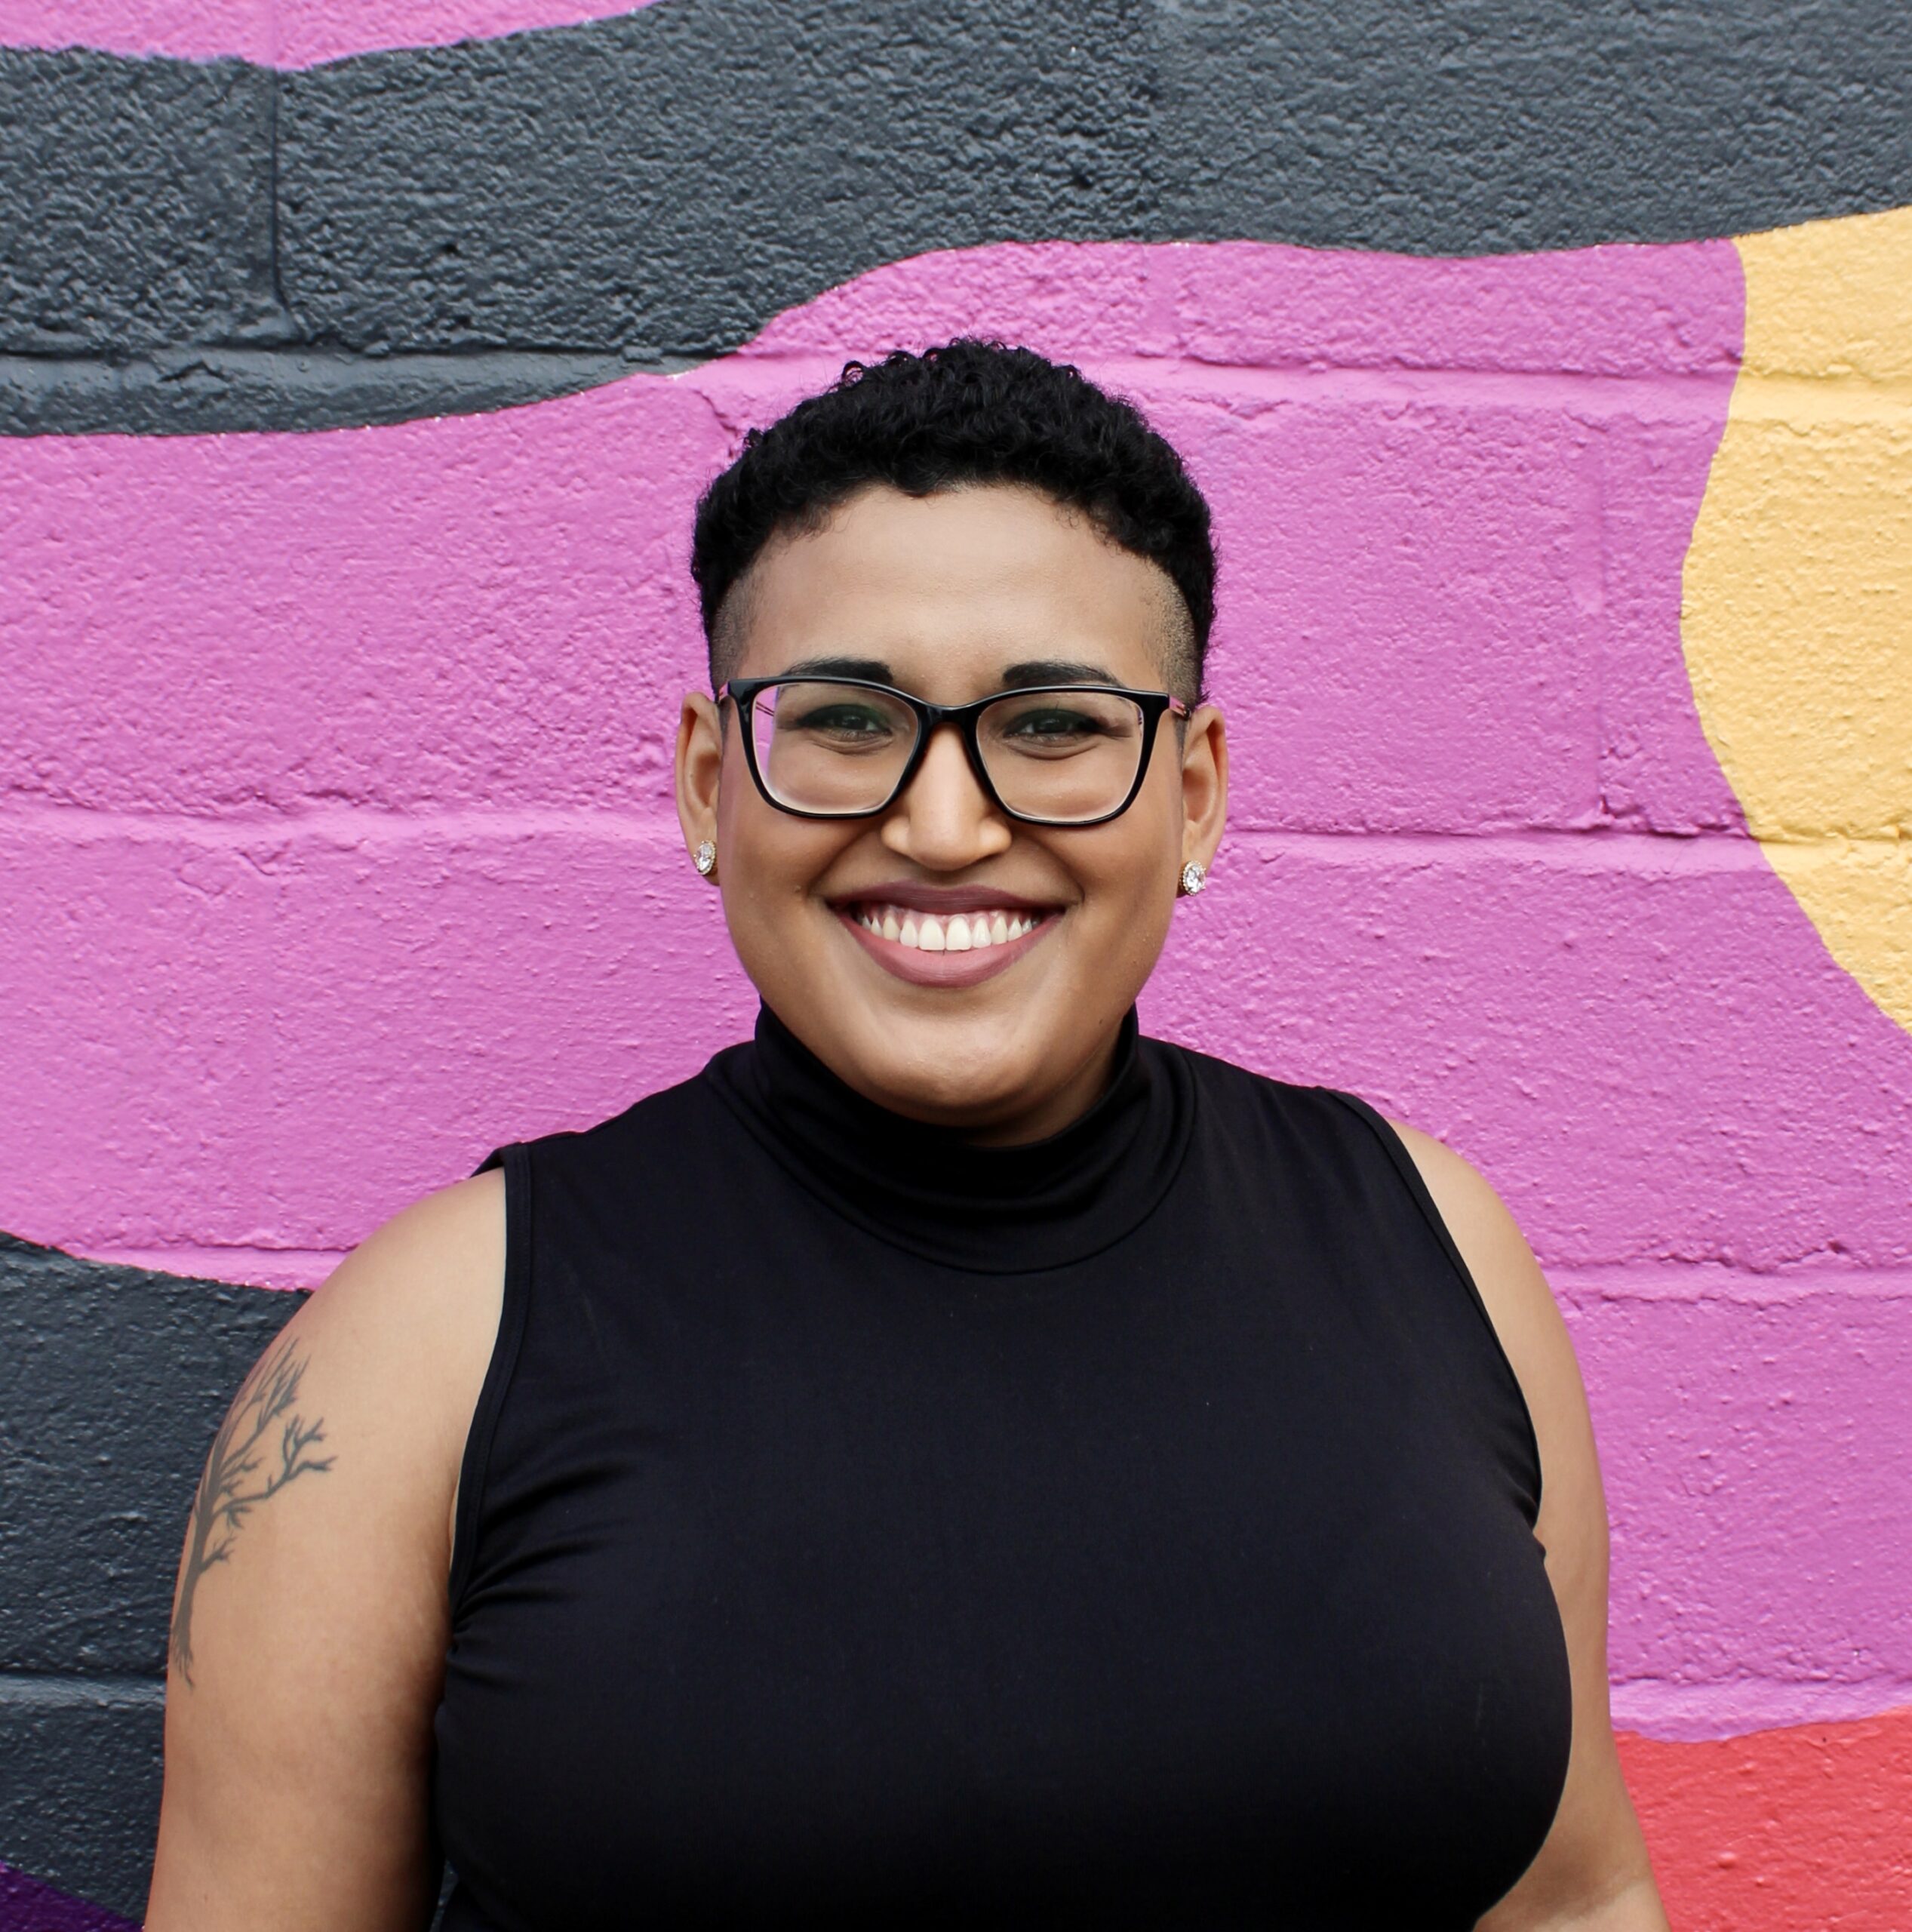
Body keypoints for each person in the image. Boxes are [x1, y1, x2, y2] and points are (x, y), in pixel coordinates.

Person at [146, 341, 1668, 1930]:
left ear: (1196, 790)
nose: (945, 826)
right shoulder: (428, 1340)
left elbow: (1571, 1895)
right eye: (849, 720)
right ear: (707, 780)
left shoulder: (1430, 1246)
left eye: (1057, 726)